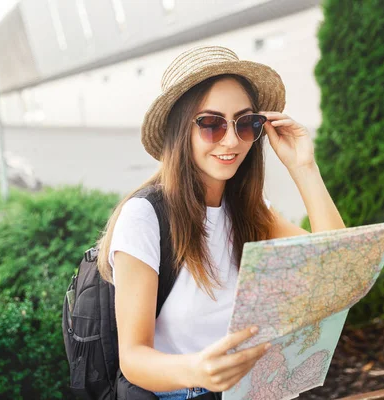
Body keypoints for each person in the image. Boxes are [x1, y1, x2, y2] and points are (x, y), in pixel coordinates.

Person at [95, 45, 345, 400]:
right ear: (179, 131)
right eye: (211, 124)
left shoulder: (249, 207)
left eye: (246, 123)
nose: (232, 140)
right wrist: (198, 370)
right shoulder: (144, 216)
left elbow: (336, 266)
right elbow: (133, 359)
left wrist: (304, 168)